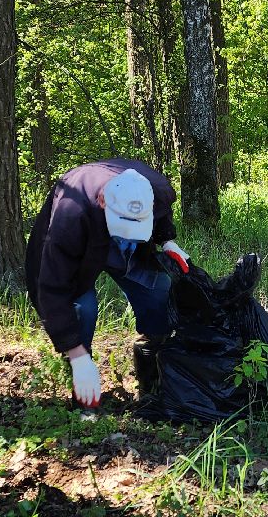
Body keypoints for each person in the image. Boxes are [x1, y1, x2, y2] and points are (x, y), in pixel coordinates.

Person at [25, 160, 190, 411]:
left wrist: (166, 241)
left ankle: (151, 382)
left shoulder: (156, 190)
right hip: (83, 244)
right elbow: (51, 287)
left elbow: (162, 215)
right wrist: (76, 354)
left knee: (158, 291)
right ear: (103, 200)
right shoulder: (71, 213)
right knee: (83, 308)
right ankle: (84, 395)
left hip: (127, 246)